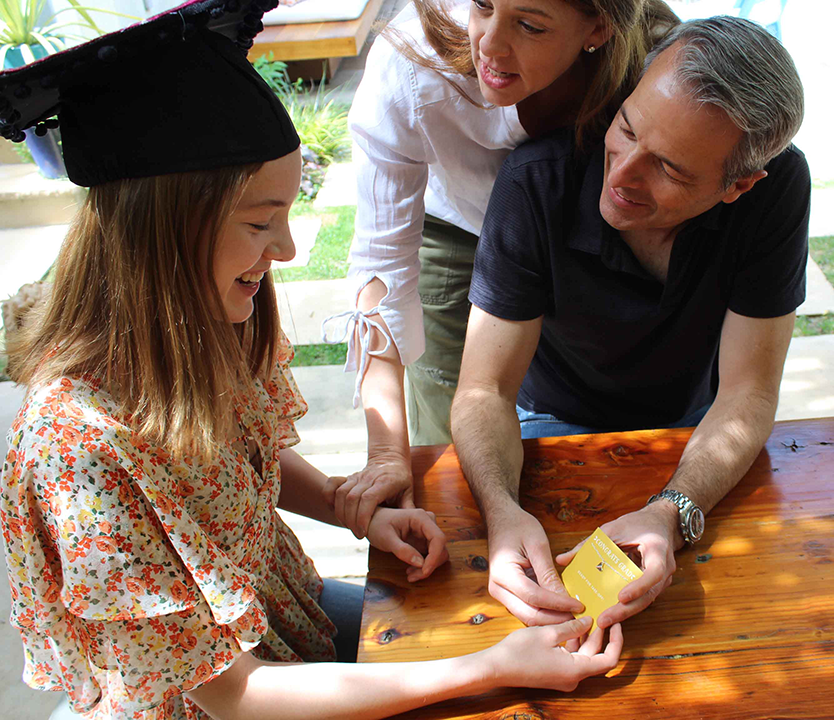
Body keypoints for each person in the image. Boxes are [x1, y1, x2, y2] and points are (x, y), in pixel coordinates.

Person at [0, 3, 621, 718]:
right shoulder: (74, 448)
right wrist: (486, 668)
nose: (290, 249)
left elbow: (242, 458)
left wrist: (346, 507)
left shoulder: (208, 320)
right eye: (261, 222)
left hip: (289, 616)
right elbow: (237, 695)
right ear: (161, 231)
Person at [450, 17, 809, 629]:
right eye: (627, 128)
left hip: (694, 431)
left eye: (669, 169)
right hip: (547, 428)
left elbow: (748, 393)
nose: (620, 177)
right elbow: (484, 390)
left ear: (740, 185)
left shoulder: (777, 190)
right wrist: (502, 513)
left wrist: (672, 512)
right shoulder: (537, 180)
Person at [322, 0, 681, 542]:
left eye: (530, 25)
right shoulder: (408, 64)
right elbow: (382, 265)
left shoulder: (652, 63)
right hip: (458, 227)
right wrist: (386, 455)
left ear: (599, 27)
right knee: (453, 436)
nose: (488, 44)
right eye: (482, 5)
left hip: (590, 224)